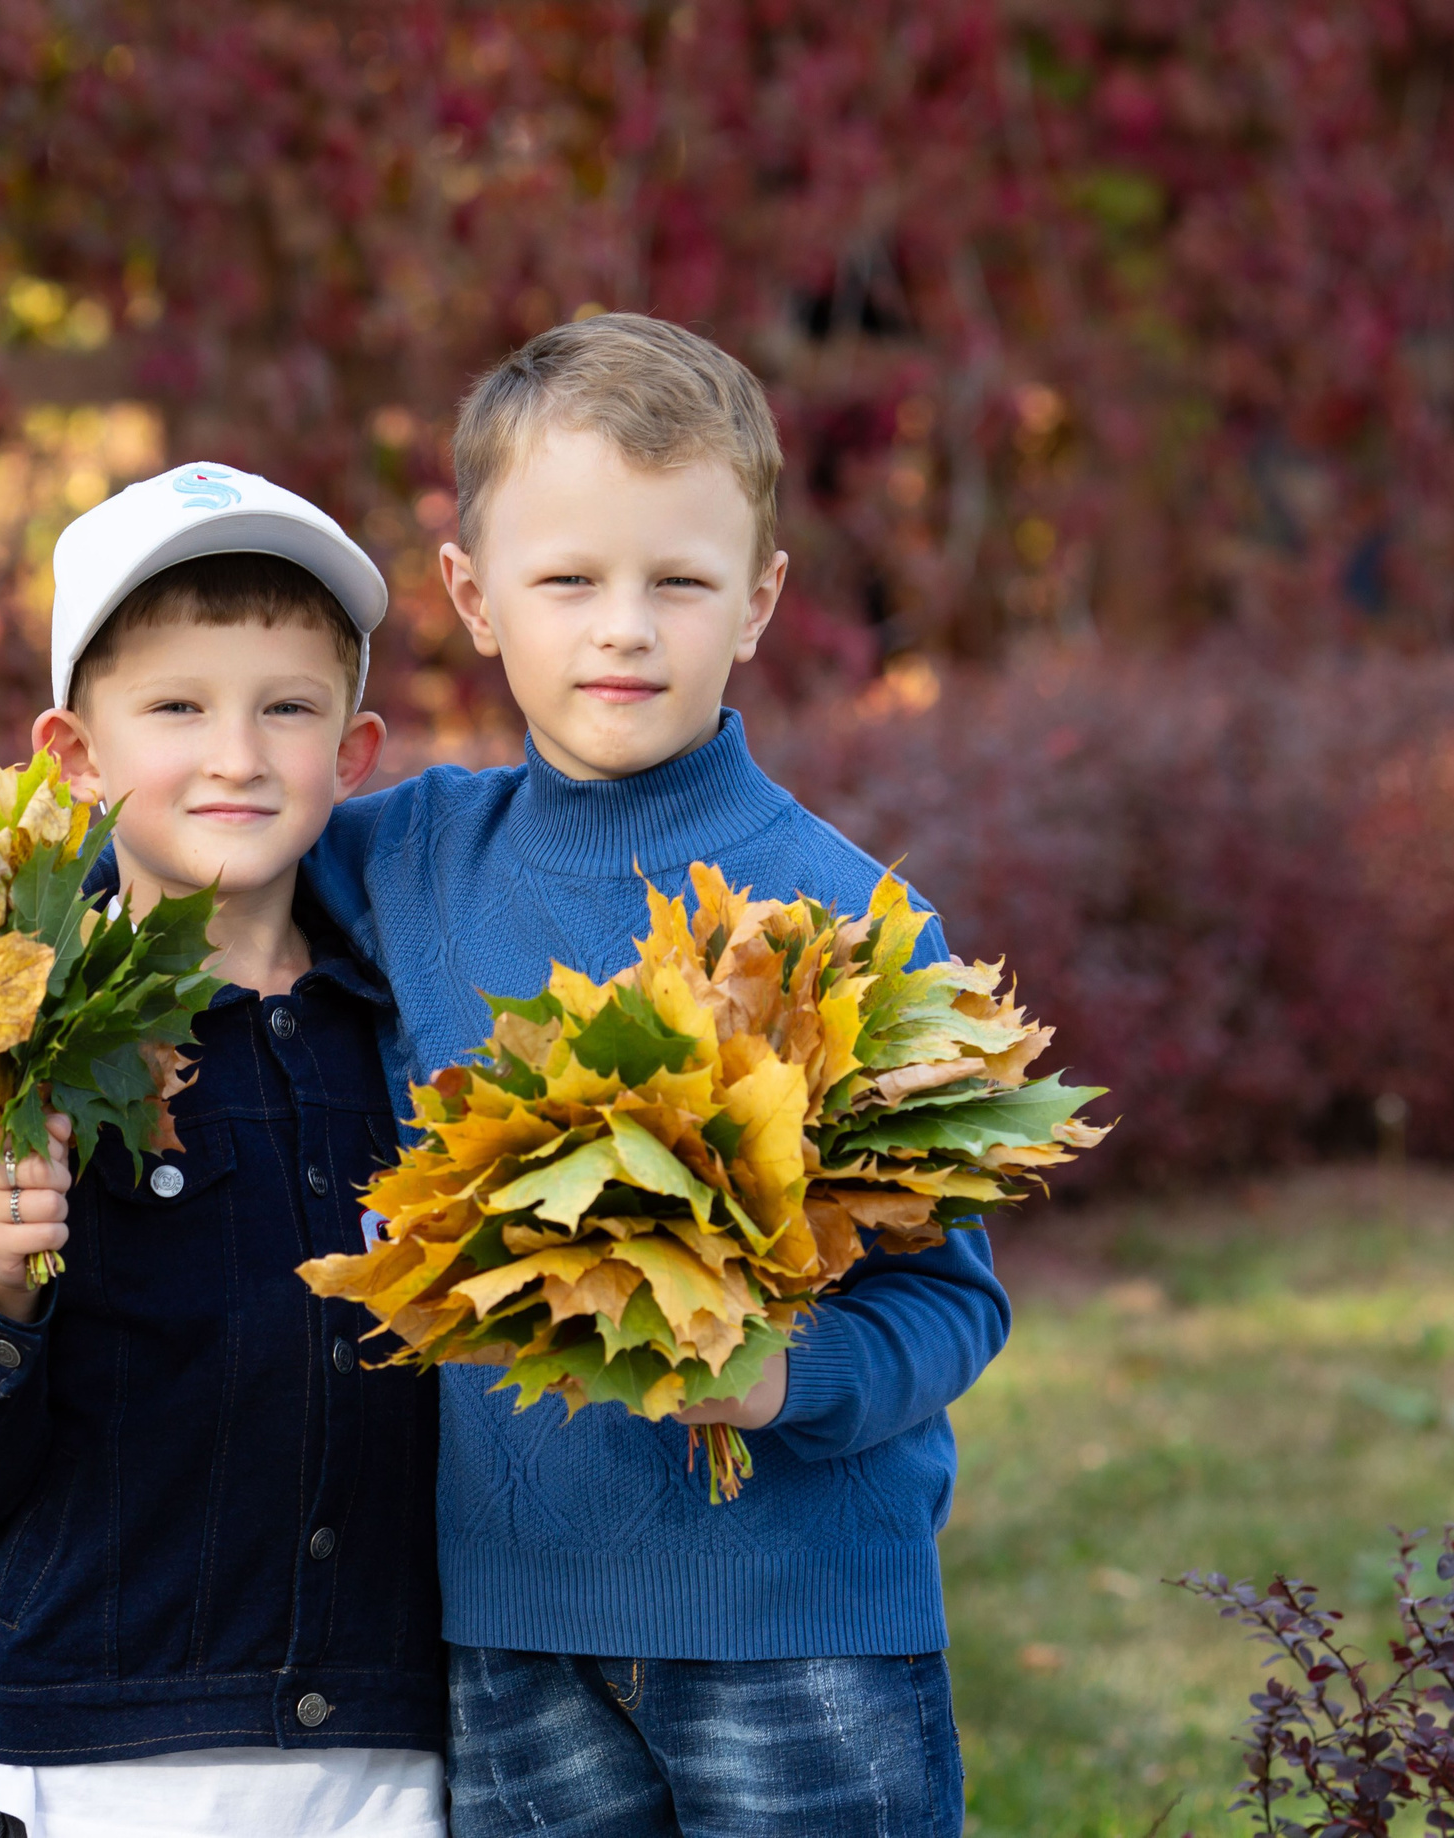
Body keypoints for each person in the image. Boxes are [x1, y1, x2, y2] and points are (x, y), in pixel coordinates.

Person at [301, 315, 1009, 1837]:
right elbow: (198, 862)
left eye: (678, 581)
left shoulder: (845, 926)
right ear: (475, 599)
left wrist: (784, 1379)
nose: (623, 628)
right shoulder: (406, 858)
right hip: (505, 1628)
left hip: (800, 1620)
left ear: (758, 601)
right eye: (568, 581)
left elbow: (959, 1297)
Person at [0, 464, 448, 1838]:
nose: (238, 754)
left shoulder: (402, 1035)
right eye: (179, 706)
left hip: (390, 1743)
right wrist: (2, 1295)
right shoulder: (9, 1048)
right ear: (77, 753)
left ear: (354, 751)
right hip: (115, 1752)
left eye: (288, 708)